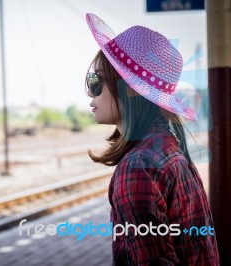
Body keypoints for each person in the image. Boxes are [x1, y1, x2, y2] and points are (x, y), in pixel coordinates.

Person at [84, 13, 220, 265]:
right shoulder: (168, 150)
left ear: (129, 90)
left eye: (97, 82)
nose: (91, 93)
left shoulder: (138, 168)